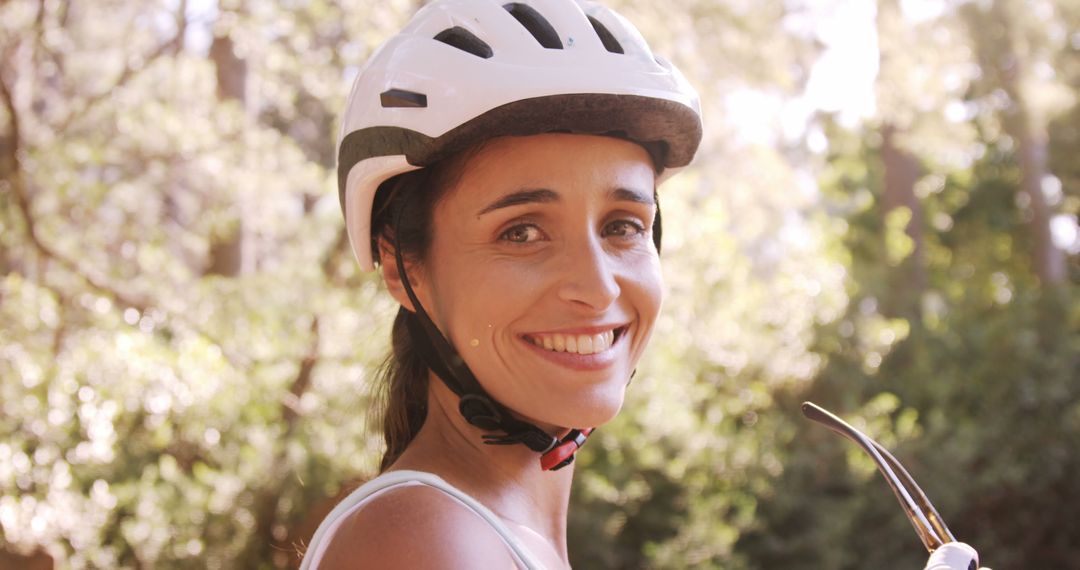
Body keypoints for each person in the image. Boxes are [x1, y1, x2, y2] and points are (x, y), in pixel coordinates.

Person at [299, 1, 985, 568]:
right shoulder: (425, 544)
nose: (597, 288)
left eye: (623, 225)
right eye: (523, 232)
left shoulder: (489, 533)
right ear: (401, 266)